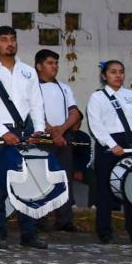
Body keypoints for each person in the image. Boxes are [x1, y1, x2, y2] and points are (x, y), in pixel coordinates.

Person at [0, 26, 48, 250]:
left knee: (28, 185)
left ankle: (29, 233)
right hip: (0, 134)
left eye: (13, 39)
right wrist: (2, 132)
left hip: (25, 133)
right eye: (4, 40)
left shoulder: (28, 71)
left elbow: (36, 103)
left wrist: (39, 130)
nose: (10, 43)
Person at [87, 60, 132, 245]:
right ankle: (105, 232)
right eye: (113, 72)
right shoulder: (97, 98)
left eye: (121, 72)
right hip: (108, 146)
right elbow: (96, 125)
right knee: (105, 191)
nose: (118, 75)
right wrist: (112, 144)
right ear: (104, 75)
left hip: (130, 143)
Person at [36, 49, 83, 231]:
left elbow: (74, 112)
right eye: (50, 63)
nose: (54, 66)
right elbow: (34, 112)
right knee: (42, 180)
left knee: (64, 178)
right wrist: (51, 132)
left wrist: (61, 130)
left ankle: (64, 219)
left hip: (63, 138)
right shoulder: (33, 87)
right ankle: (40, 219)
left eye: (56, 63)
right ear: (39, 66)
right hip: (42, 139)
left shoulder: (64, 88)